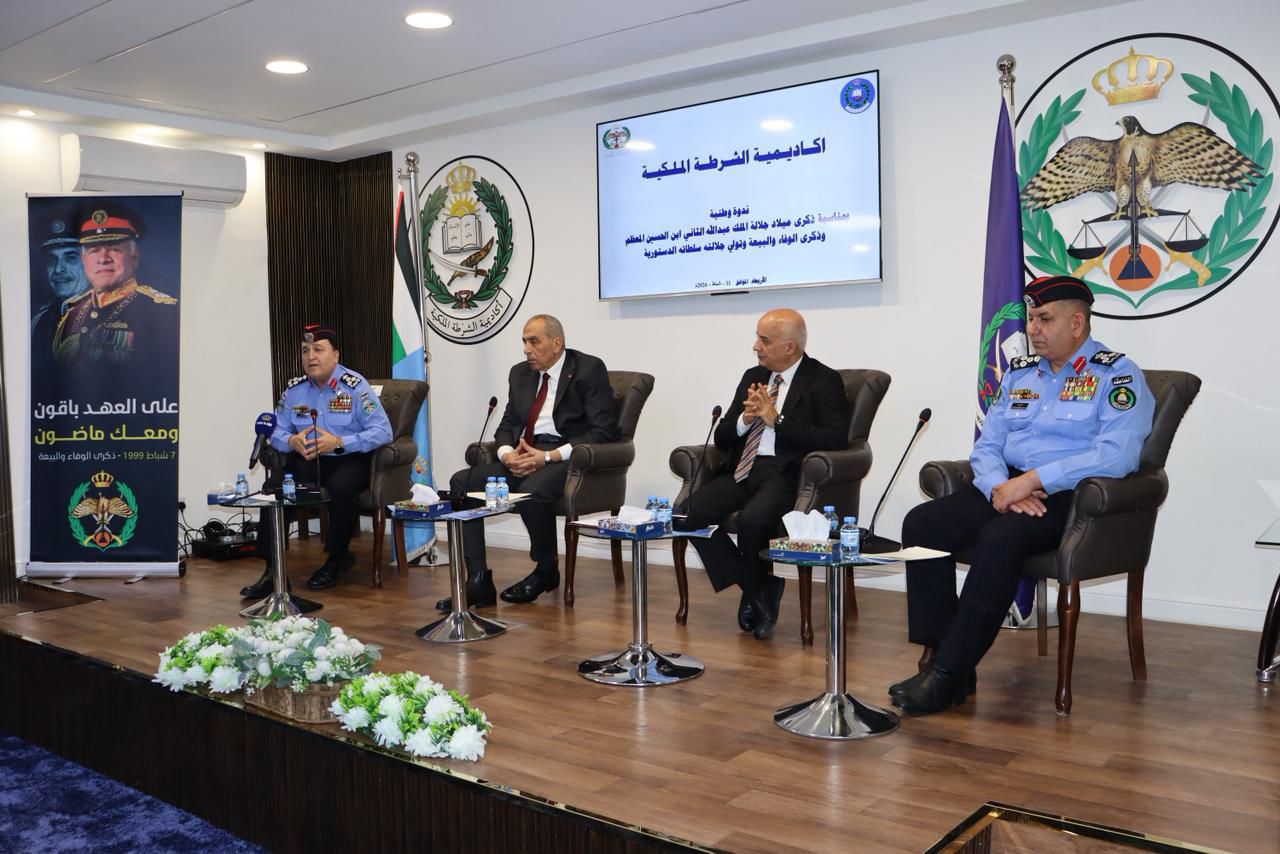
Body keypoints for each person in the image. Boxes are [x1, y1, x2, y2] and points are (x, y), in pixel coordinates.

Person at [889, 275, 1155, 715]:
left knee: (1001, 538)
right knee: (923, 524)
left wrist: (1033, 481)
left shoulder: (1116, 374)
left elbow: (1118, 455)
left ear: (1077, 323)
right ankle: (944, 660)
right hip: (1007, 486)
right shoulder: (1020, 374)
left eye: (1044, 319)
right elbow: (987, 445)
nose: (1032, 329)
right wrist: (1001, 487)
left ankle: (949, 673)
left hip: (1069, 496)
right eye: (1031, 318)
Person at [681, 309, 850, 640]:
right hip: (743, 468)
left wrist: (777, 420)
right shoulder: (753, 376)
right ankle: (759, 587)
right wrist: (744, 421)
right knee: (690, 512)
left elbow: (834, 440)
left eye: (764, 340)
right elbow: (723, 437)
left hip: (784, 473)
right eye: (757, 338)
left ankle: (754, 591)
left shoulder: (823, 380)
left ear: (790, 346)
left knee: (753, 521)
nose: (756, 346)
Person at [440, 314, 619, 610]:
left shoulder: (588, 369)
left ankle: (546, 569)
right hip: (524, 453)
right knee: (463, 482)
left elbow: (602, 431)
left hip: (566, 457)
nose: (526, 349)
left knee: (532, 491)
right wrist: (506, 454)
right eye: (524, 341)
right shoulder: (520, 374)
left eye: (534, 341)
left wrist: (547, 457)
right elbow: (508, 424)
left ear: (557, 343)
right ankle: (478, 580)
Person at [239, 324, 393, 598]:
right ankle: (273, 570)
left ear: (336, 354)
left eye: (318, 350)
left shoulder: (355, 386)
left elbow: (383, 431)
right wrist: (291, 441)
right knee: (274, 488)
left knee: (341, 487)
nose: (310, 356)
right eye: (305, 350)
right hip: (308, 459)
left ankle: (338, 558)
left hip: (349, 457)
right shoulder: (295, 390)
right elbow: (276, 429)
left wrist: (340, 442)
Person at [51, 204, 177, 377]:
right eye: (94, 250)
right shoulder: (72, 313)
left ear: (134, 255)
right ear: (84, 260)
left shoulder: (163, 312)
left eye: (114, 249)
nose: (103, 259)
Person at [31, 207, 88, 358]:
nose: (57, 269)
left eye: (70, 258)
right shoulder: (39, 322)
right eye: (52, 259)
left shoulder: (111, 315)